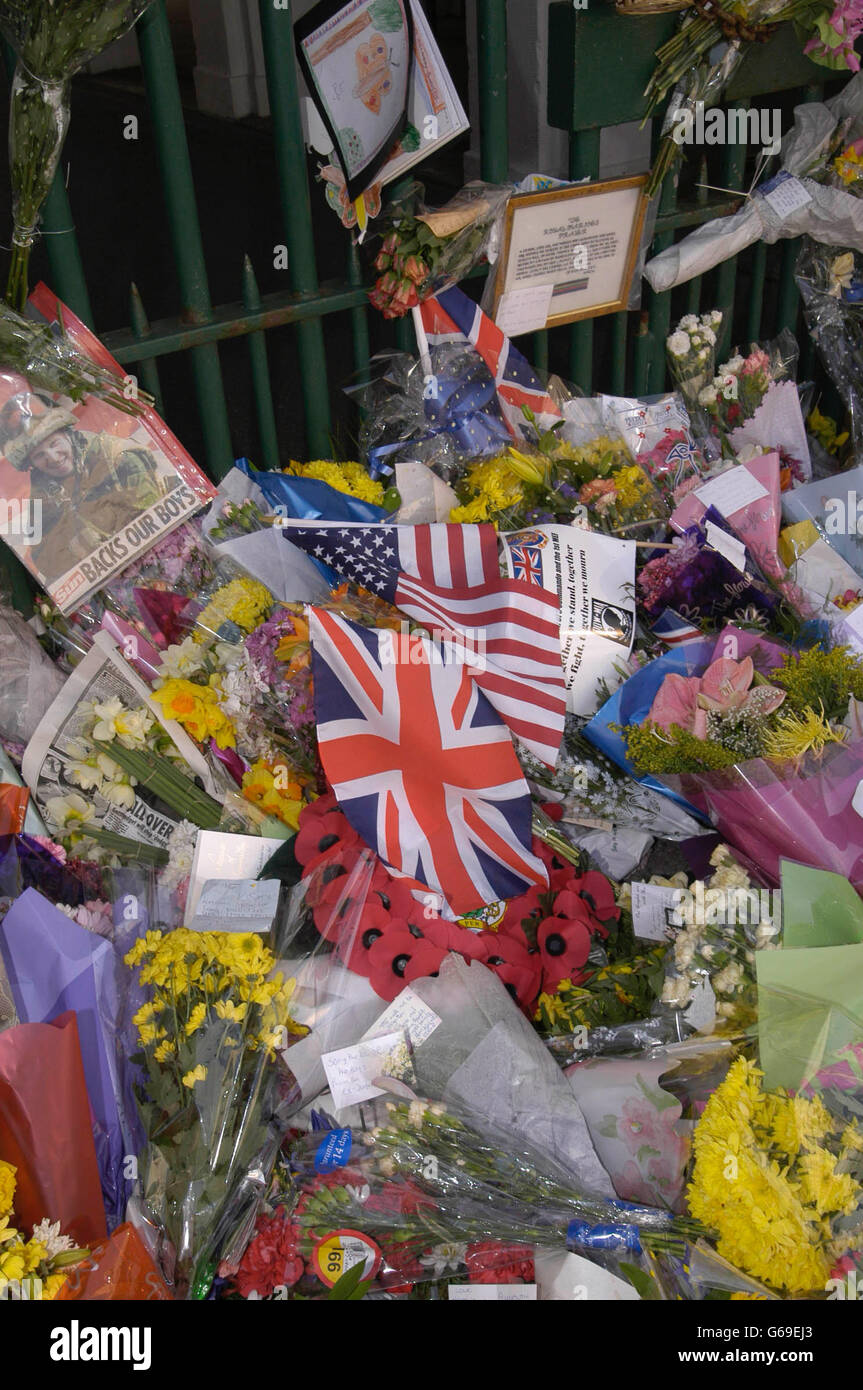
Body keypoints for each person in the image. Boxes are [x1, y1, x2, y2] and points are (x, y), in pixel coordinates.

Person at [0, 391, 171, 573]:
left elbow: (153, 512)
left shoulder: (118, 455)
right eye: (39, 455)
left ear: (67, 435)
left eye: (54, 444)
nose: (52, 457)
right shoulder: (41, 496)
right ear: (31, 464)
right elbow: (46, 562)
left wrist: (87, 535)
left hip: (160, 558)